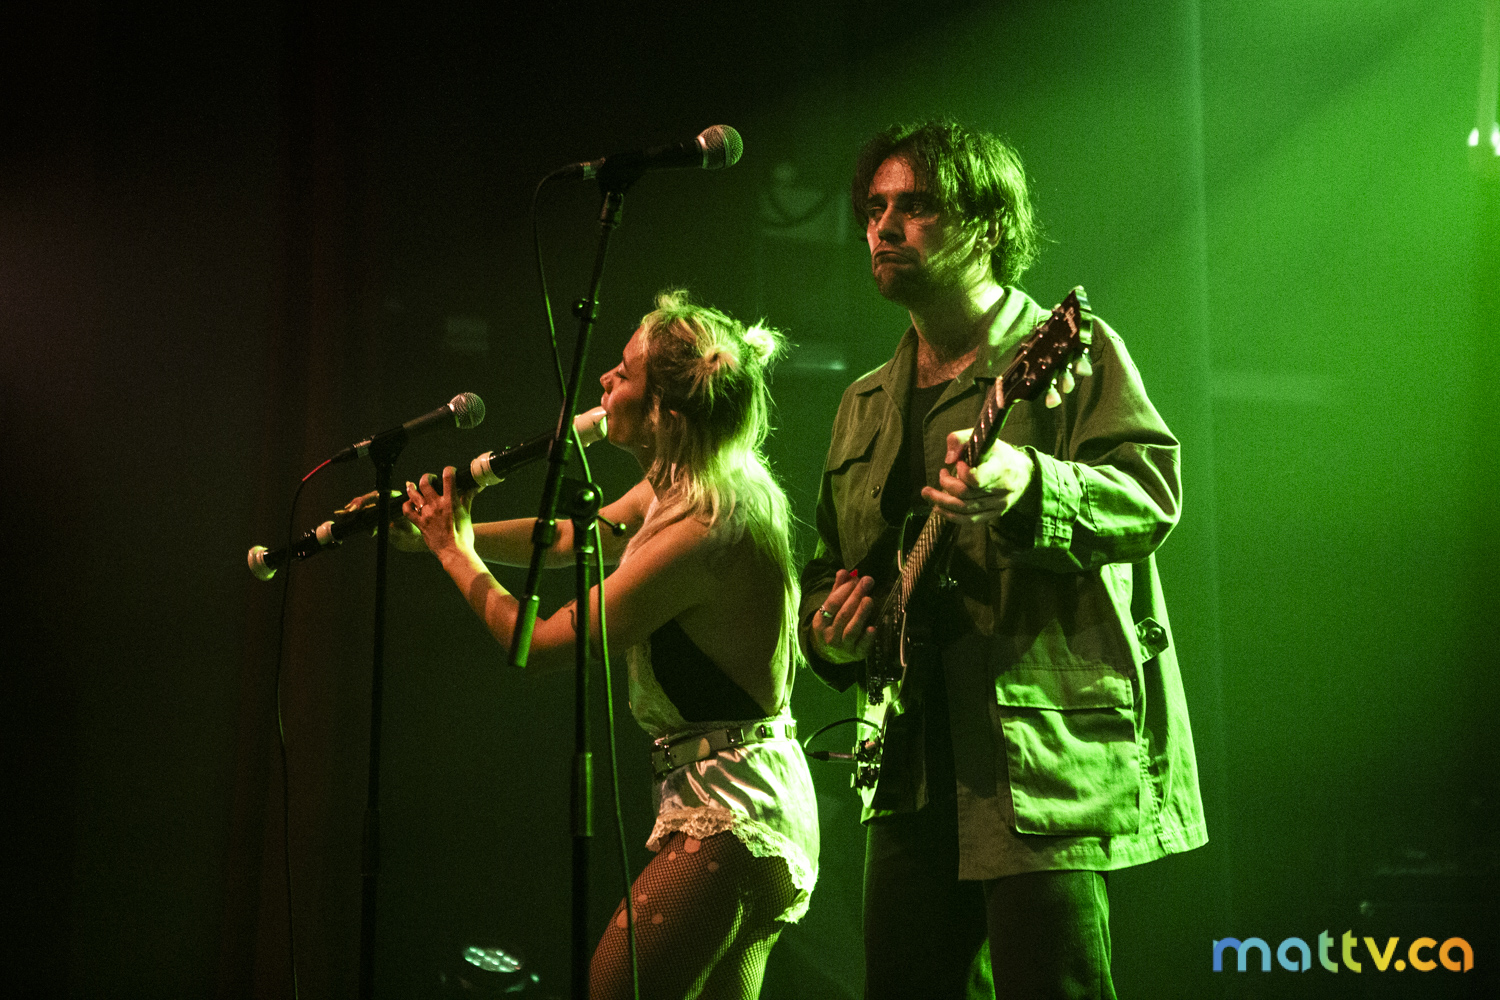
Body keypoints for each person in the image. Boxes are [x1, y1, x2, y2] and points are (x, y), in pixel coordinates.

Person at [799, 120, 1206, 999]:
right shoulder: (864, 401)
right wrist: (827, 633)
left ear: (987, 227)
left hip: (1035, 757)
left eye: (916, 206)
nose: (884, 226)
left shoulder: (1071, 349)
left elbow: (1150, 497)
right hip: (906, 766)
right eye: (874, 208)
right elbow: (828, 569)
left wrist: (1030, 485)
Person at [399, 290, 818, 999]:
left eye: (623, 374)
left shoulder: (702, 527)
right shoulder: (691, 481)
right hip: (755, 802)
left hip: (734, 811)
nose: (603, 381)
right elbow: (575, 538)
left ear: (664, 415)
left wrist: (452, 552)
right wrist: (436, 530)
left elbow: (537, 642)